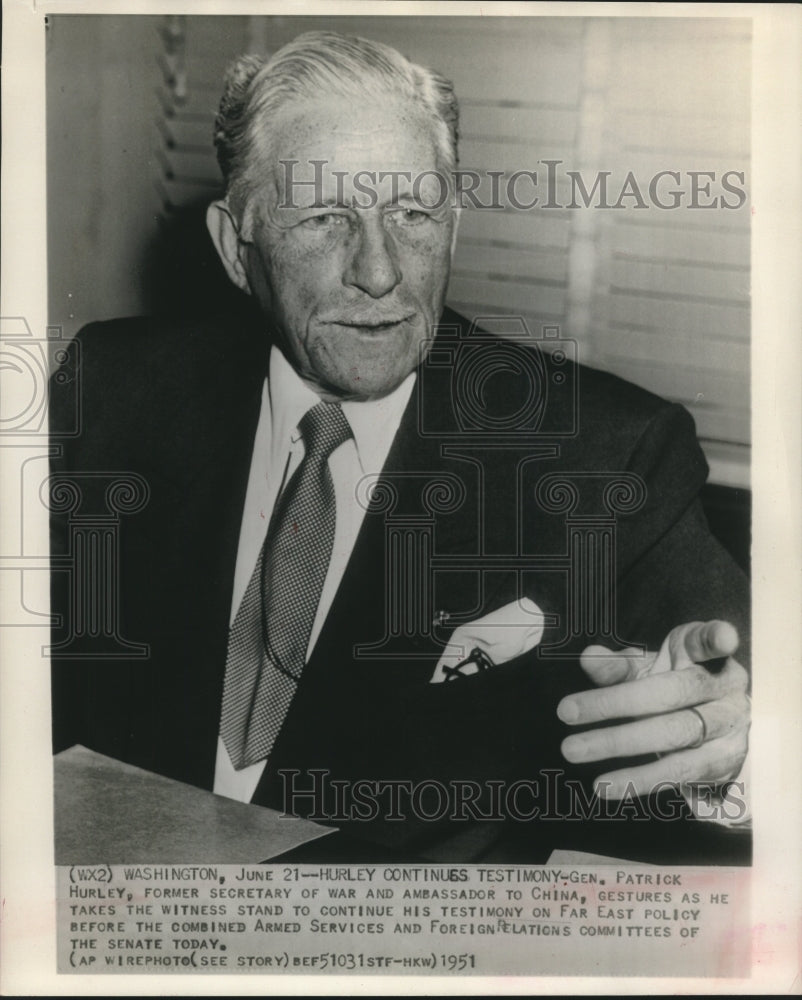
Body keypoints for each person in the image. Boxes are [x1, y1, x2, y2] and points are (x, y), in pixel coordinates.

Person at [49, 31, 750, 864]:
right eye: (324, 218)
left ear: (452, 230)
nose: (380, 272)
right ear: (237, 248)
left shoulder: (605, 453)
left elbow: (733, 686)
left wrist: (734, 750)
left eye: (412, 215)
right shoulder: (118, 389)